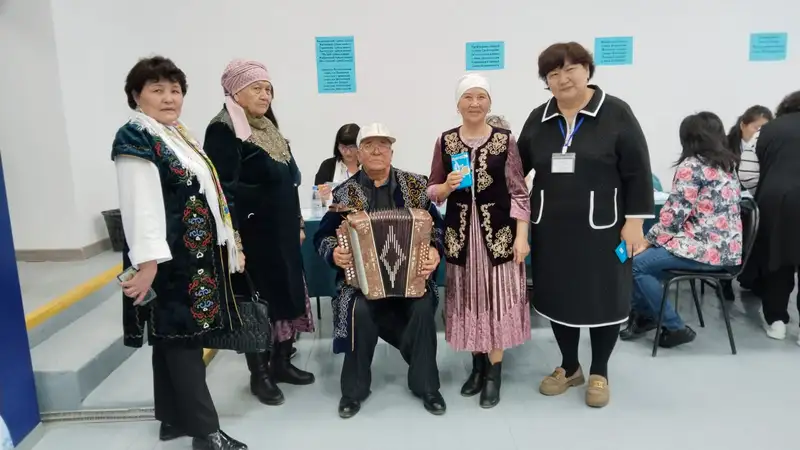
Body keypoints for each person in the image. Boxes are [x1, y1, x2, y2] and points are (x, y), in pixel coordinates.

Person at [112, 56, 247, 450]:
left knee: (171, 338)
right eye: (157, 90)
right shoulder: (136, 137)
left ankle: (172, 419)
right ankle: (206, 433)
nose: (169, 98)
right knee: (185, 341)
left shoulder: (175, 135)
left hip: (191, 259)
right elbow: (140, 205)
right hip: (167, 262)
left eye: (175, 90)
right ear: (136, 96)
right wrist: (148, 263)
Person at [517, 42, 654, 408]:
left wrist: (634, 223)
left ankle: (599, 371)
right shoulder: (539, 118)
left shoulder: (616, 113)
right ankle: (569, 366)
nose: (562, 78)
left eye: (570, 69)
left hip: (604, 230)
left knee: (603, 297)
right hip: (551, 230)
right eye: (553, 73)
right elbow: (516, 171)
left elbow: (638, 171)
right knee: (559, 297)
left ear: (587, 70)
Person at [312, 123, 447, 419]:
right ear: (359, 153)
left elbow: (438, 228)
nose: (376, 151)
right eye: (369, 145)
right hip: (361, 283)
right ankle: (353, 391)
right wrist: (335, 252)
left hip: (411, 279)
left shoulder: (416, 185)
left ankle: (427, 386)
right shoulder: (344, 193)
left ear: (391, 152)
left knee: (423, 305)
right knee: (359, 310)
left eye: (383, 144)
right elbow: (322, 235)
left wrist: (435, 251)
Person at [203, 59, 315, 408]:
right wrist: (234, 242)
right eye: (257, 88)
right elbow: (223, 192)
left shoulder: (267, 126)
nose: (265, 95)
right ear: (236, 92)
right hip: (253, 237)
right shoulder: (222, 129)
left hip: (282, 233)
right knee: (258, 304)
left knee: (286, 296)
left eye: (268, 89)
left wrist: (298, 222)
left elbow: (290, 182)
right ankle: (259, 375)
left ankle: (282, 362)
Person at [427, 74, 530, 409]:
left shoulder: (505, 140)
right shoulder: (445, 141)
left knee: (496, 300)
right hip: (461, 238)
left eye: (480, 97)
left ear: (489, 103)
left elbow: (519, 192)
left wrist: (522, 238)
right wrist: (446, 187)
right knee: (469, 299)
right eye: (468, 97)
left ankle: (494, 373)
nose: (474, 103)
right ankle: (477, 365)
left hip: (499, 236)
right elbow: (432, 190)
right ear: (458, 104)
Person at [622, 112, 743, 348]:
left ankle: (673, 326)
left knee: (634, 264)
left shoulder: (692, 165)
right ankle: (646, 316)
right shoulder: (728, 165)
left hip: (702, 250)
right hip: (727, 252)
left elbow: (674, 216)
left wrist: (648, 240)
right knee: (644, 265)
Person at [748, 91, 800, 343]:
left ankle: (776, 321)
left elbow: (747, 173)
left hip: (774, 201)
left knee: (776, 261)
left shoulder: (767, 130)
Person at [728, 105, 773, 195]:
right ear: (742, 126)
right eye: (756, 128)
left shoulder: (771, 148)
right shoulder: (727, 145)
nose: (759, 132)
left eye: (764, 129)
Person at [314, 123, 361, 203]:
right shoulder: (327, 166)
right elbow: (317, 198)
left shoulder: (369, 167)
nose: (347, 152)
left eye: (352, 147)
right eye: (343, 147)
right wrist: (321, 196)